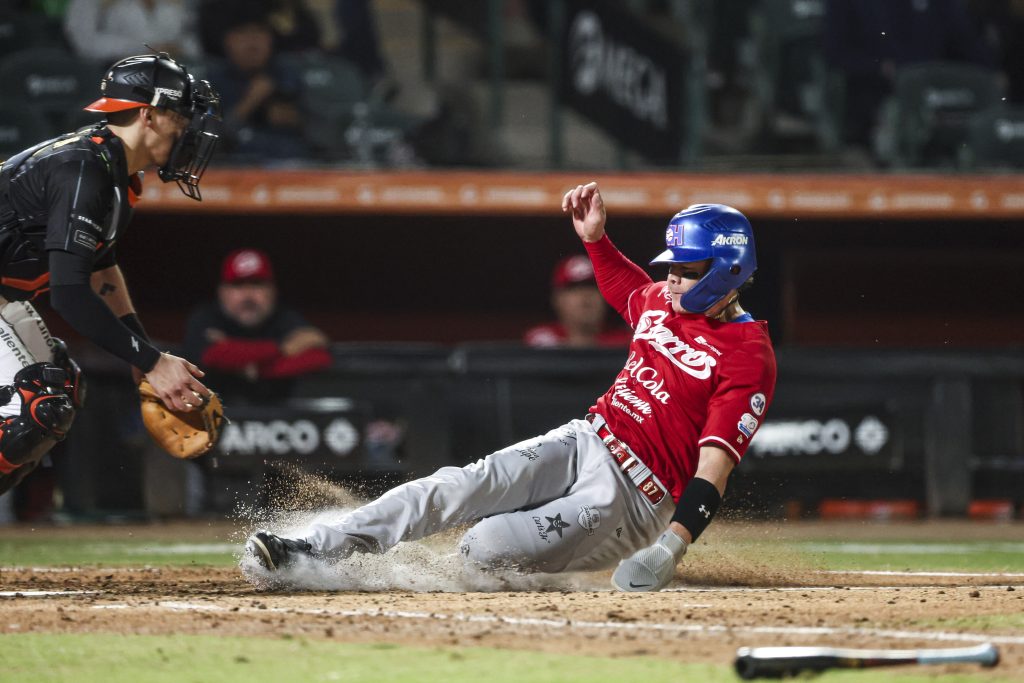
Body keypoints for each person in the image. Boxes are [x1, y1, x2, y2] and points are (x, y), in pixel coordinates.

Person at [246, 182, 778, 592]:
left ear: (726, 270)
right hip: (588, 438)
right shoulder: (662, 299)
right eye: (672, 265)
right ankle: (311, 550)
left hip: (635, 499)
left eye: (687, 267)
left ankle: (467, 571)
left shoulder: (748, 355)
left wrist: (670, 548)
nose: (672, 276)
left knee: (485, 546)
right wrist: (595, 239)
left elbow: (713, 471)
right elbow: (626, 285)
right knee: (456, 486)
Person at [0, 52, 222, 495]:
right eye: (180, 116)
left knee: (63, 386)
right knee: (36, 410)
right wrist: (154, 363)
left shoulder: (113, 170)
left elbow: (101, 269)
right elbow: (69, 293)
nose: (187, 130)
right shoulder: (83, 169)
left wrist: (143, 359)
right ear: (148, 115)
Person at [183, 248, 332, 405]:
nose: (248, 295)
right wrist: (283, 348)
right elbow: (211, 356)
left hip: (277, 413)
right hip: (214, 414)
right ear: (222, 291)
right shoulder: (207, 316)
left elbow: (319, 357)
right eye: (238, 285)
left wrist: (253, 366)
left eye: (257, 284)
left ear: (273, 290)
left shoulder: (284, 317)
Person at [523, 253, 632, 349]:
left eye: (593, 287)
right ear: (557, 299)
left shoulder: (626, 343)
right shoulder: (541, 342)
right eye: (574, 288)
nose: (586, 295)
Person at [63, 0, 202, 64]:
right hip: (114, 72)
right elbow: (85, 42)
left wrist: (180, 48)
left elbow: (195, 38)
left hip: (175, 69)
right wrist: (143, 48)